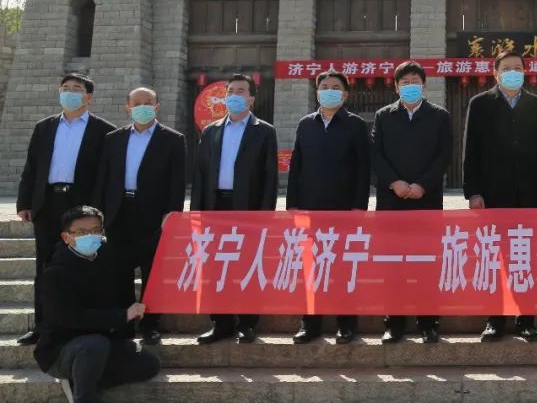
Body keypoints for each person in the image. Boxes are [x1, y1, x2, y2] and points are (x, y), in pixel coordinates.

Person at [16, 73, 115, 346]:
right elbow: (32, 167)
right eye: (65, 88)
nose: (70, 92)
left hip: (82, 205)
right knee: (45, 266)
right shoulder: (44, 127)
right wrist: (25, 203)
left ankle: (82, 324)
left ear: (88, 97)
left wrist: (97, 210)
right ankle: (42, 326)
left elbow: (105, 174)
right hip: (48, 203)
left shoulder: (104, 130)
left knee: (84, 264)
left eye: (77, 88)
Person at [463, 50, 537, 342]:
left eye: (518, 68)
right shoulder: (480, 104)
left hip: (529, 194)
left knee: (525, 258)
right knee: (494, 258)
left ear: (525, 72)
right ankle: (495, 320)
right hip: (493, 194)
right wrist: (473, 191)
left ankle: (525, 320)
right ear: (496, 73)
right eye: (507, 68)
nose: (513, 72)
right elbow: (471, 151)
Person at [34, 206, 160, 403]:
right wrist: (122, 316)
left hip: (103, 343)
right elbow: (70, 318)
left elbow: (137, 255)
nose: (90, 236)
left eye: (95, 230)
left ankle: (79, 381)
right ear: (66, 237)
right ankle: (84, 397)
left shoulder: (107, 258)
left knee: (149, 364)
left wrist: (164, 230)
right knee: (93, 345)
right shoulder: (56, 273)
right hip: (61, 349)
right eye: (82, 232)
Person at [190, 74, 279, 345]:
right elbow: (201, 174)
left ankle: (247, 323)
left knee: (247, 265)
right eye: (230, 91)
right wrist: (196, 213)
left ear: (251, 99)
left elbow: (270, 177)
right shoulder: (211, 131)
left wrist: (265, 214)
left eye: (241, 91)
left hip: (248, 209)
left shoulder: (264, 131)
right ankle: (221, 323)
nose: (234, 96)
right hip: (215, 207)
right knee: (216, 267)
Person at [94, 87, 186, 346]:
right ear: (128, 107)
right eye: (137, 103)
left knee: (152, 273)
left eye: (148, 102)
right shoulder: (114, 138)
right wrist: (98, 213)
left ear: (157, 107)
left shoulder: (173, 139)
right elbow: (103, 177)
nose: (142, 107)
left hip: (153, 215)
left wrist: (173, 214)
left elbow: (177, 182)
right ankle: (124, 322)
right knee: (119, 272)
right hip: (118, 212)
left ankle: (150, 324)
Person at [286, 69, 371, 344]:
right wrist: (292, 204)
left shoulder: (356, 125)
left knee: (343, 267)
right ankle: (310, 323)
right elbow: (296, 165)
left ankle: (346, 324)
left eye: (335, 87)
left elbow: (364, 169)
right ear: (317, 92)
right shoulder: (305, 124)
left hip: (343, 208)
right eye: (324, 86)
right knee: (311, 266)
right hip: (309, 208)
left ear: (345, 95)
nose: (329, 91)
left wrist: (358, 206)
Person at [371, 62, 451, 345]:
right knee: (393, 266)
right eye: (404, 82)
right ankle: (393, 323)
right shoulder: (384, 116)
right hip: (391, 203)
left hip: (426, 201)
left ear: (424, 85)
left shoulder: (439, 116)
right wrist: (395, 182)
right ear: (396, 87)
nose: (410, 86)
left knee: (426, 264)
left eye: (415, 81)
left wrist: (422, 185)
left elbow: (444, 155)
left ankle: (428, 323)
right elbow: (376, 154)